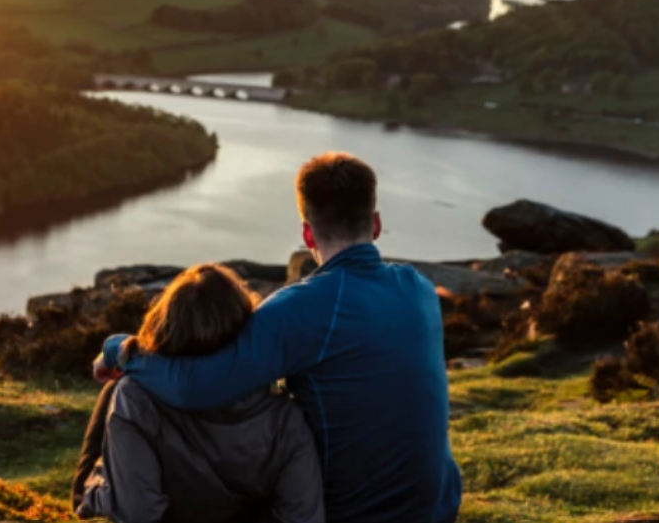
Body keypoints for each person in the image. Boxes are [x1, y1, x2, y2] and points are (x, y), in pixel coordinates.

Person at [93, 152, 462, 523]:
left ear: (306, 233)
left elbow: (195, 387)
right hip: (437, 510)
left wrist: (119, 350)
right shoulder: (419, 290)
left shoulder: (301, 307)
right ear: (377, 224)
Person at [74, 263, 324, 523]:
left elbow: (139, 513)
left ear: (166, 325)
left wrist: (97, 494)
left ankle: (88, 492)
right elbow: (303, 517)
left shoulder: (135, 401)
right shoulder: (286, 422)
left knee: (116, 388)